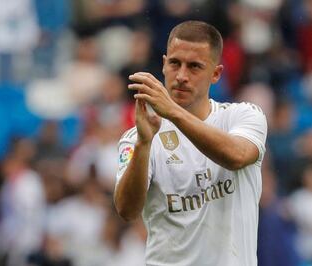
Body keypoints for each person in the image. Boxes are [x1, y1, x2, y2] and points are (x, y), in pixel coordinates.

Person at [114, 20, 268, 266]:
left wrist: (173, 113)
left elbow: (237, 156)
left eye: (195, 66)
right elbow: (127, 211)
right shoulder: (138, 137)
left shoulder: (243, 116)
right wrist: (144, 144)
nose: (182, 76)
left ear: (216, 73)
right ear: (164, 64)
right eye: (175, 63)